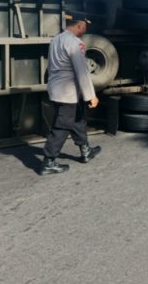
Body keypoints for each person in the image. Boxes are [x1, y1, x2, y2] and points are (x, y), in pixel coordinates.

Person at [41, 12, 102, 175]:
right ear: (80, 25)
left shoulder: (56, 39)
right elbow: (82, 71)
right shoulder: (75, 43)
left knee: (77, 119)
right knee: (62, 126)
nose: (86, 29)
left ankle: (85, 150)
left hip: (56, 89)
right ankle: (48, 161)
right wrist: (91, 95)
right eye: (86, 26)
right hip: (67, 92)